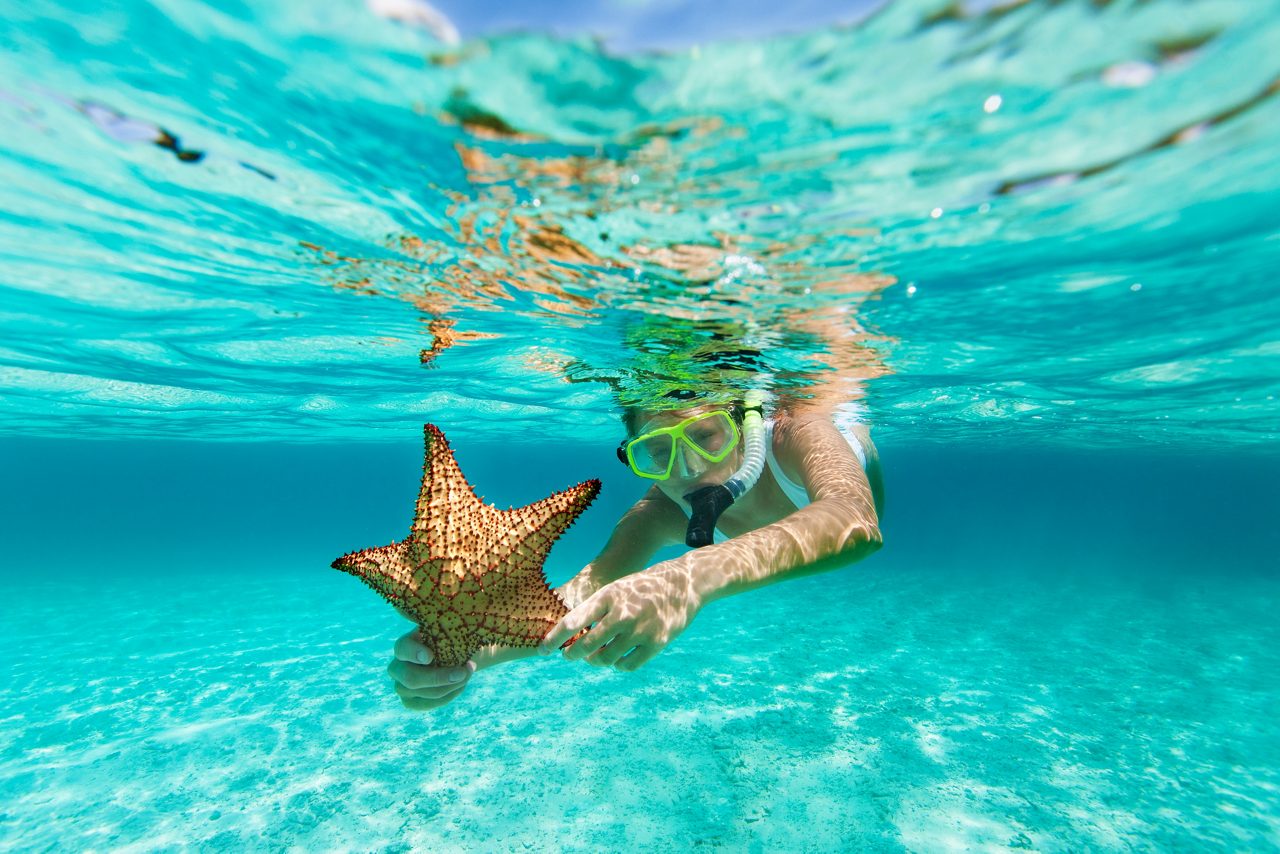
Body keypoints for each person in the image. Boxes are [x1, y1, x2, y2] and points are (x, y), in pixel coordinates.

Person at [386, 395, 885, 711]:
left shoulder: (795, 431)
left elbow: (854, 518)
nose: (687, 469)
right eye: (657, 451)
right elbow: (584, 588)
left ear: (744, 424)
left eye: (707, 436)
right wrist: (463, 654)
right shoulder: (662, 510)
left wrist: (684, 579)